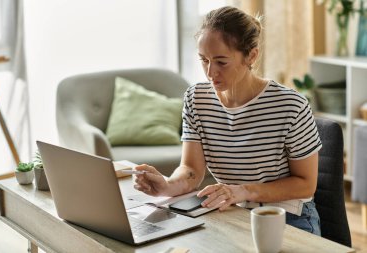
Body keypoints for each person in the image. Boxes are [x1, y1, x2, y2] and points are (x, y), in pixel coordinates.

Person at [134, 6, 322, 236]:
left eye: (221, 62)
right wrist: (168, 186)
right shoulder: (196, 99)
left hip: (287, 215)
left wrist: (243, 191)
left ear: (252, 55)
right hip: (231, 210)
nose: (211, 72)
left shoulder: (291, 106)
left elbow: (305, 184)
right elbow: (192, 169)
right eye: (204, 60)